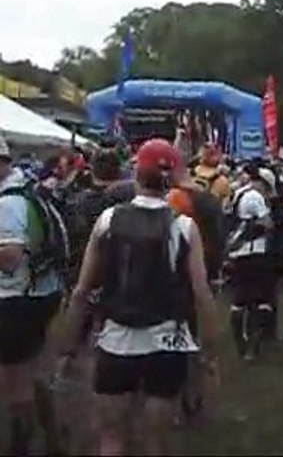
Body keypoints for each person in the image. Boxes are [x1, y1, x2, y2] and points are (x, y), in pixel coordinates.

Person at [58, 138, 220, 457]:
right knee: (154, 443)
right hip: (166, 343)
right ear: (172, 178)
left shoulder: (108, 219)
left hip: (116, 340)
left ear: (136, 173)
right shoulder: (184, 227)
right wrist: (209, 353)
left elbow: (82, 291)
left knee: (111, 438)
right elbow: (202, 294)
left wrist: (68, 345)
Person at [0, 136, 65, 457]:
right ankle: (53, 438)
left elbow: (9, 257)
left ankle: (20, 444)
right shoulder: (26, 190)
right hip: (39, 292)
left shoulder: (7, 204)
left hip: (16, 298)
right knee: (32, 371)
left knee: (14, 381)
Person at [225, 166, 278, 360]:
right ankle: (252, 348)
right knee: (260, 300)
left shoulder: (239, 193)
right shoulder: (255, 197)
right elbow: (268, 223)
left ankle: (240, 342)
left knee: (239, 299)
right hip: (255, 252)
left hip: (237, 252)